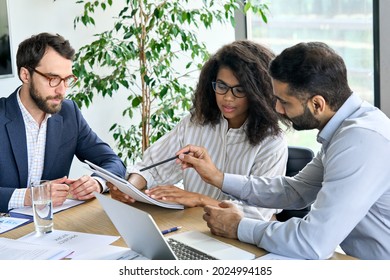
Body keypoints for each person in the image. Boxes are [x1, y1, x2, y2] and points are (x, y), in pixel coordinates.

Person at [175, 42, 390, 260]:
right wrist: (219, 178)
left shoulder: (360, 141)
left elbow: (313, 242)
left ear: (317, 104)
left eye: (283, 101)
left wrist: (239, 227)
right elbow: (295, 191)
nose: (277, 109)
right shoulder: (346, 130)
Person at [110, 40, 288, 220]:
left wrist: (199, 199)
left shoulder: (272, 143)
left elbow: (258, 213)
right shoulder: (196, 123)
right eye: (221, 86)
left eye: (239, 90)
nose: (227, 98)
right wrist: (130, 189)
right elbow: (152, 168)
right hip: (193, 227)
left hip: (242, 238)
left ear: (258, 92)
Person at [0, 32, 126, 213]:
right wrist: (30, 196)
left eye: (67, 80)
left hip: (52, 227)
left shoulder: (69, 113)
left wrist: (97, 183)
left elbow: (113, 162)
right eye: (53, 79)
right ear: (25, 75)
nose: (62, 90)